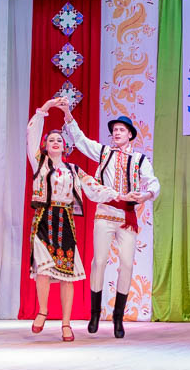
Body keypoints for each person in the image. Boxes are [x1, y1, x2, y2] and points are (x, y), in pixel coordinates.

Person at [60, 102, 159, 338]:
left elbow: (153, 182)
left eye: (121, 130)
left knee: (127, 264)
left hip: (126, 216)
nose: (117, 132)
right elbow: (81, 140)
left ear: (130, 135)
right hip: (105, 213)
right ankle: (95, 313)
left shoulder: (140, 159)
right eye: (114, 129)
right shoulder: (104, 152)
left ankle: (118, 317)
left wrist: (146, 195)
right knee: (99, 261)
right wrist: (67, 114)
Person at [27, 98, 120, 342]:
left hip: (65, 221)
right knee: (42, 269)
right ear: (45, 146)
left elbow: (95, 188)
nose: (55, 142)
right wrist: (46, 107)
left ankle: (66, 324)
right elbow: (32, 133)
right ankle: (42, 311)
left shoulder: (74, 170)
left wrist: (119, 195)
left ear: (65, 147)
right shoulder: (39, 162)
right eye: (51, 140)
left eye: (59, 140)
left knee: (67, 275)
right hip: (43, 219)